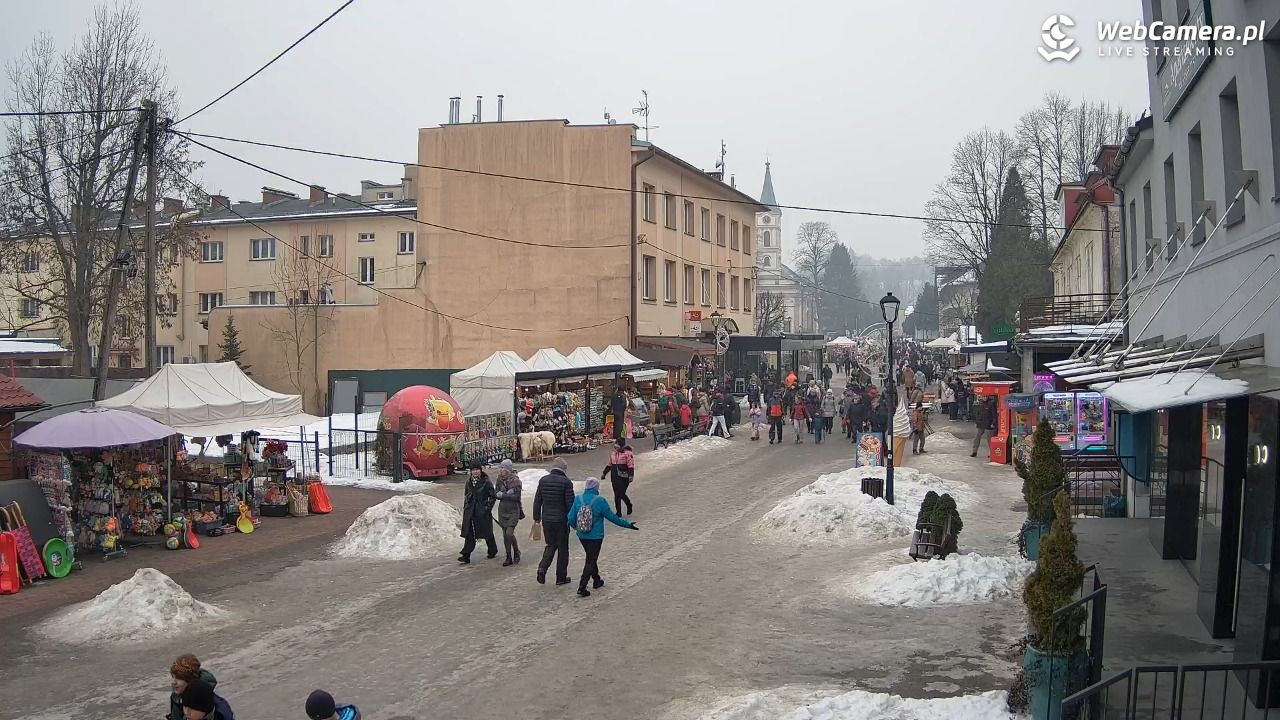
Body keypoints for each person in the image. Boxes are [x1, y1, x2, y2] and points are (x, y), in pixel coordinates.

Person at [568, 477, 638, 597]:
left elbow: (570, 518)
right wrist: (628, 525)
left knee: (591, 557)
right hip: (596, 536)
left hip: (582, 535)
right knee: (591, 559)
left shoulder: (577, 498)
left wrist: (576, 527)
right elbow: (612, 517)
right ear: (596, 487)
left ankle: (596, 580)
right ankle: (582, 587)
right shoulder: (600, 501)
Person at [533, 458, 576, 586]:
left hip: (547, 519)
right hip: (561, 521)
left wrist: (537, 518)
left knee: (550, 545)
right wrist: (573, 520)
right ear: (563, 469)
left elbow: (537, 500)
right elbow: (570, 504)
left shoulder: (543, 480)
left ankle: (542, 568)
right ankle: (561, 577)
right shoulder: (566, 482)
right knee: (563, 549)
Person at [458, 465, 498, 564]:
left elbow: (493, 496)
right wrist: (466, 507)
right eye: (473, 470)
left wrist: (487, 509)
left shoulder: (486, 482)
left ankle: (492, 550)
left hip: (482, 512)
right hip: (470, 512)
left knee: (487, 532)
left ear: (480, 470)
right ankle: (466, 555)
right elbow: (466, 496)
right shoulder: (469, 482)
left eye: (477, 470)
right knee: (470, 533)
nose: (475, 472)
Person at [493, 459, 523, 566]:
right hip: (502, 510)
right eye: (501, 468)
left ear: (509, 469)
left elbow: (516, 497)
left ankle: (516, 552)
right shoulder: (499, 480)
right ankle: (509, 556)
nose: (502, 470)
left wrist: (503, 495)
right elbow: (495, 493)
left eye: (504, 468)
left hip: (513, 510)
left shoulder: (516, 481)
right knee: (505, 534)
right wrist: (499, 494)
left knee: (509, 533)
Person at [168, 654, 217, 720]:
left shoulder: (206, 699)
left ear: (190, 679)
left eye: (179, 678)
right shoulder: (176, 695)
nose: (173, 682)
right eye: (173, 677)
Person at [601, 440, 635, 516]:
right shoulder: (613, 454)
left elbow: (630, 466)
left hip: (624, 477)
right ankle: (618, 512)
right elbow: (609, 465)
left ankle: (628, 504)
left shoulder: (628, 454)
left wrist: (631, 476)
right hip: (614, 476)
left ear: (622, 446)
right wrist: (604, 473)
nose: (615, 446)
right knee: (616, 494)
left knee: (621, 493)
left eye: (617, 444)